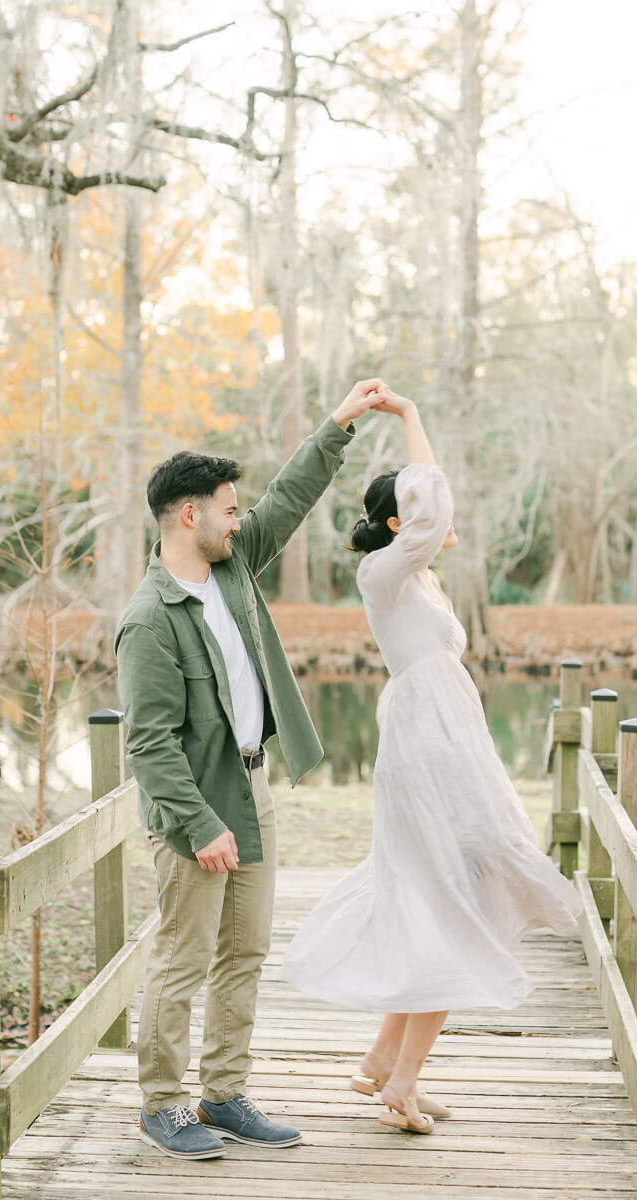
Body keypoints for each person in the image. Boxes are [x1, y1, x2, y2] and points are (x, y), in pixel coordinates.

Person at [282, 388, 583, 1134]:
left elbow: (430, 505)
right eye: (424, 517)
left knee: (449, 890)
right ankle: (401, 1079)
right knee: (457, 897)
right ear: (397, 524)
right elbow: (429, 499)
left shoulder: (420, 579)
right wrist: (411, 415)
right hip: (427, 749)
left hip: (449, 742)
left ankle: (388, 1061)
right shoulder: (384, 572)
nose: (444, 524)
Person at [115, 380, 388, 1160]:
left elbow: (293, 497)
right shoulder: (148, 619)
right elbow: (149, 745)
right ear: (189, 515)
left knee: (245, 952)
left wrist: (338, 424)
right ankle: (162, 1104)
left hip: (253, 786)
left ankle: (224, 1093)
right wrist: (200, 825)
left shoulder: (233, 568)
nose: (242, 519)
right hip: (193, 813)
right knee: (184, 957)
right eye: (230, 509)